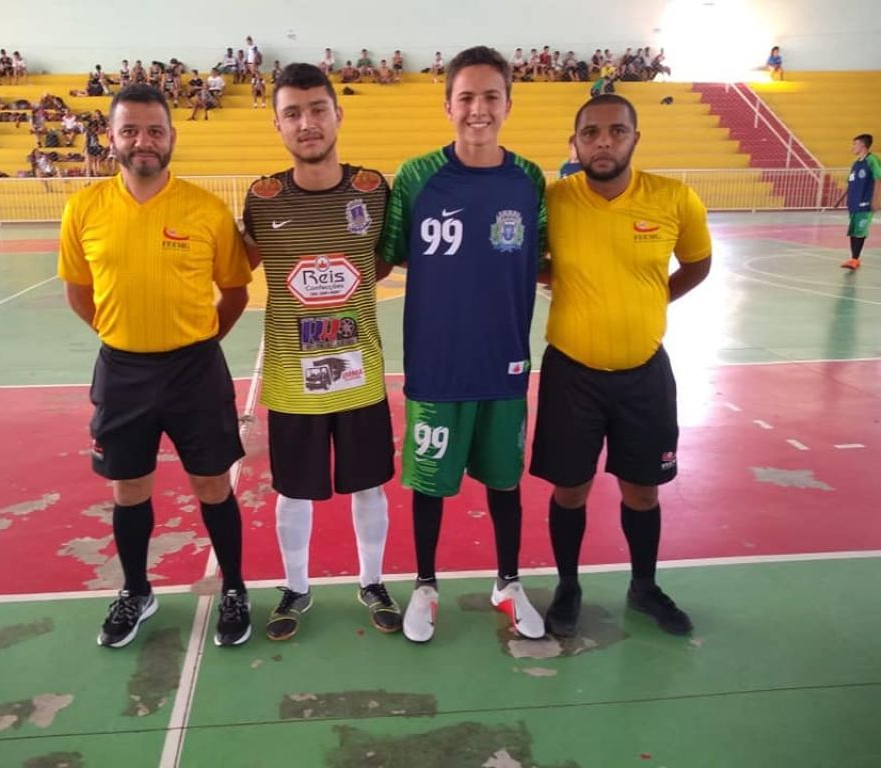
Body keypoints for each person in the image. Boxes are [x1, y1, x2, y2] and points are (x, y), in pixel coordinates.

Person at [57, 84, 254, 649]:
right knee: (128, 488)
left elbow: (235, 291)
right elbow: (79, 293)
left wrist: (196, 342)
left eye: (155, 130)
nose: (143, 141)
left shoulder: (205, 209)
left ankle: (236, 588)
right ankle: (137, 591)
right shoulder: (85, 208)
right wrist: (124, 335)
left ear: (172, 136)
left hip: (195, 370)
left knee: (213, 484)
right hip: (122, 373)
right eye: (130, 130)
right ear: (111, 137)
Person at [380, 46, 547, 644]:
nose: (479, 109)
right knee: (430, 483)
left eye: (491, 96)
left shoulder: (528, 179)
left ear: (508, 102)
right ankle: (425, 585)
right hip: (437, 366)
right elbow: (380, 259)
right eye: (467, 98)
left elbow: (548, 261)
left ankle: (508, 582)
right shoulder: (418, 177)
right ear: (448, 104)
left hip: (503, 366)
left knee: (505, 482)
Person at [530, 93, 711, 639]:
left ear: (635, 137)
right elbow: (528, 260)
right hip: (571, 373)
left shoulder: (674, 198)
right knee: (570, 490)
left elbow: (698, 264)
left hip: (644, 374)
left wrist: (650, 301)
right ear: (575, 142)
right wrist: (565, 282)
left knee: (643, 491)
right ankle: (567, 585)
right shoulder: (554, 201)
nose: (602, 141)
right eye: (590, 133)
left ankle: (644, 585)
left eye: (615, 131)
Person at [242, 63, 401, 641]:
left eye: (316, 109)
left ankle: (372, 580)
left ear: (337, 114)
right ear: (278, 125)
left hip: (360, 376)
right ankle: (296, 587)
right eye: (292, 113)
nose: (306, 123)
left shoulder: (372, 189)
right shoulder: (262, 199)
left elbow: (381, 261)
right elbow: (235, 269)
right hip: (292, 382)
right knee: (293, 489)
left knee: (368, 484)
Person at [839, 133, 881, 270]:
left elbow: (878, 178)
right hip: (854, 203)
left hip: (865, 203)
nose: (852, 147)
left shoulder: (872, 160)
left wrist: (875, 200)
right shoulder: (856, 164)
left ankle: (855, 259)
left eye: (855, 144)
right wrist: (840, 198)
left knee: (860, 231)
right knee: (853, 231)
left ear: (863, 145)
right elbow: (850, 182)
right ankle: (853, 258)